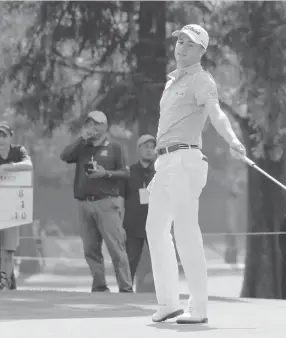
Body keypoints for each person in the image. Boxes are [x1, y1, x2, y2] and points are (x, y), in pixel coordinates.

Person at [145, 24, 246, 324]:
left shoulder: (202, 79)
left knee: (186, 232)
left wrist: (233, 140)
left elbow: (215, 112)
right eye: (179, 41)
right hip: (164, 164)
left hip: (185, 160)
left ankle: (198, 308)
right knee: (156, 230)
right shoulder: (172, 82)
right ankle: (168, 303)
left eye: (189, 44)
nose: (181, 47)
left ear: (201, 50)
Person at [60, 110, 133, 293]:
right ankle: (99, 285)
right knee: (90, 249)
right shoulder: (82, 147)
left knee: (116, 248)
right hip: (84, 204)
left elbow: (125, 173)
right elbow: (65, 156)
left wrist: (105, 173)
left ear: (105, 126)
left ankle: (125, 287)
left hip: (106, 203)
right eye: (89, 123)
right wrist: (80, 139)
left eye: (96, 123)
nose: (92, 127)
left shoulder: (115, 147)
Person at [0, 122, 33, 290]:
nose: (1, 139)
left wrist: (6, 167)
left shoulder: (18, 151)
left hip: (11, 208)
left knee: (8, 250)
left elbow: (29, 165)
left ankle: (4, 284)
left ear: (10, 136)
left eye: (4, 135)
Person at [121, 135, 156, 285]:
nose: (149, 150)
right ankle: (126, 291)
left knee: (160, 258)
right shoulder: (128, 173)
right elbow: (121, 198)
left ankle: (165, 293)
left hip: (155, 223)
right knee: (131, 259)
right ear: (138, 149)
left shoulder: (160, 172)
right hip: (133, 224)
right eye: (146, 146)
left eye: (152, 147)